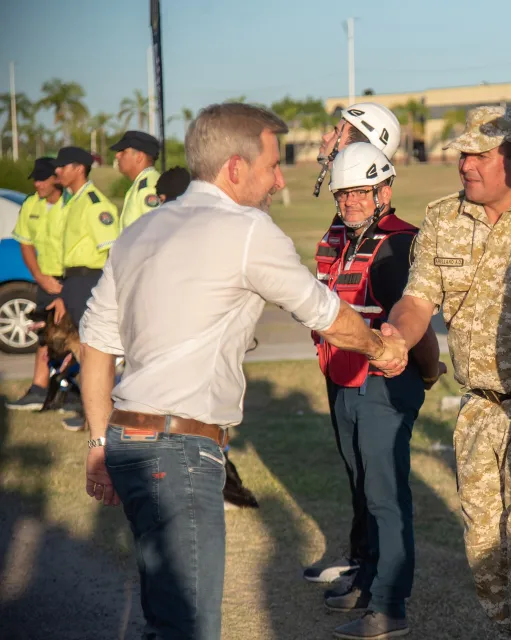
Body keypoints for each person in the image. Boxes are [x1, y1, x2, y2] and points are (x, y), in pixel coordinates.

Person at [78, 102, 408, 640]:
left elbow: (95, 345)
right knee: (189, 623)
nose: (279, 180)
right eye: (272, 166)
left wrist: (97, 443)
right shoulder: (248, 229)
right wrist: (381, 348)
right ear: (235, 167)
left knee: (163, 613)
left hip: (125, 442)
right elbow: (324, 313)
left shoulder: (140, 230)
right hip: (181, 451)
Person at [384, 106, 511, 638]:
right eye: (462, 154)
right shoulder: (444, 219)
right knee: (486, 559)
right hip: (479, 414)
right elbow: (417, 300)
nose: (465, 164)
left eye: (478, 154)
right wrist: (397, 335)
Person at [312, 142, 442, 639]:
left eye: (360, 192)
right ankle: (367, 581)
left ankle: (390, 606)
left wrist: (426, 373)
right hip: (345, 381)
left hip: (384, 384)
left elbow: (417, 325)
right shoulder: (343, 238)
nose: (350, 201)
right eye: (343, 193)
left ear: (384, 191)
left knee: (385, 496)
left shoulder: (398, 244)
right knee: (363, 488)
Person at [304, 100, 406, 587]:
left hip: (373, 372)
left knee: (375, 479)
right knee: (356, 471)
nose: (328, 139)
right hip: (340, 365)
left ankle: (376, 576)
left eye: (337, 132)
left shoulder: (391, 236)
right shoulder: (346, 220)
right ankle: (362, 558)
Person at [49, 146, 120, 432]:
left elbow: (113, 250)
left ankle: (104, 419)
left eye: (63, 166)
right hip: (74, 282)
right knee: (83, 352)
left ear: (79, 168)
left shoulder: (94, 204)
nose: (57, 171)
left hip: (90, 280)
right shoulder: (74, 201)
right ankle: (93, 415)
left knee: (95, 353)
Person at [7, 157, 68, 411]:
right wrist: (40, 277)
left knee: (76, 337)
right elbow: (26, 243)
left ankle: (72, 390)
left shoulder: (72, 203)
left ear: (57, 178)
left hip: (72, 279)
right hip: (45, 278)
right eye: (35, 179)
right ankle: (38, 390)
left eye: (42, 179)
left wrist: (67, 288)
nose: (37, 184)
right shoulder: (31, 204)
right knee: (45, 336)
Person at [111, 130, 162, 231]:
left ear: (139, 157)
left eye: (123, 151)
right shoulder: (142, 184)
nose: (117, 155)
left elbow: (155, 232)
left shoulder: (147, 188)